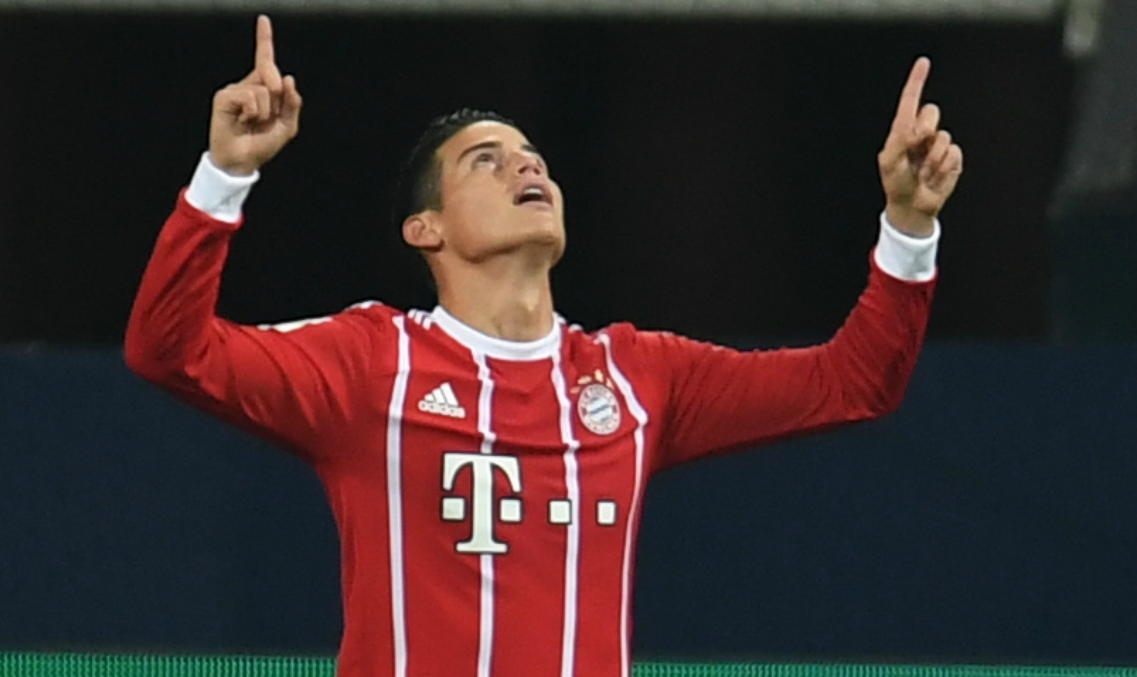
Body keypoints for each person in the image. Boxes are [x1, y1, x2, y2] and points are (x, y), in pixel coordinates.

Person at [125, 15, 962, 677]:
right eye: (485, 163)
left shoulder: (637, 379)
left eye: (534, 158)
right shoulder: (370, 365)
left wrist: (910, 224)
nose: (528, 170)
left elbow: (854, 383)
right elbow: (170, 349)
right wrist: (225, 173)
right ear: (426, 228)